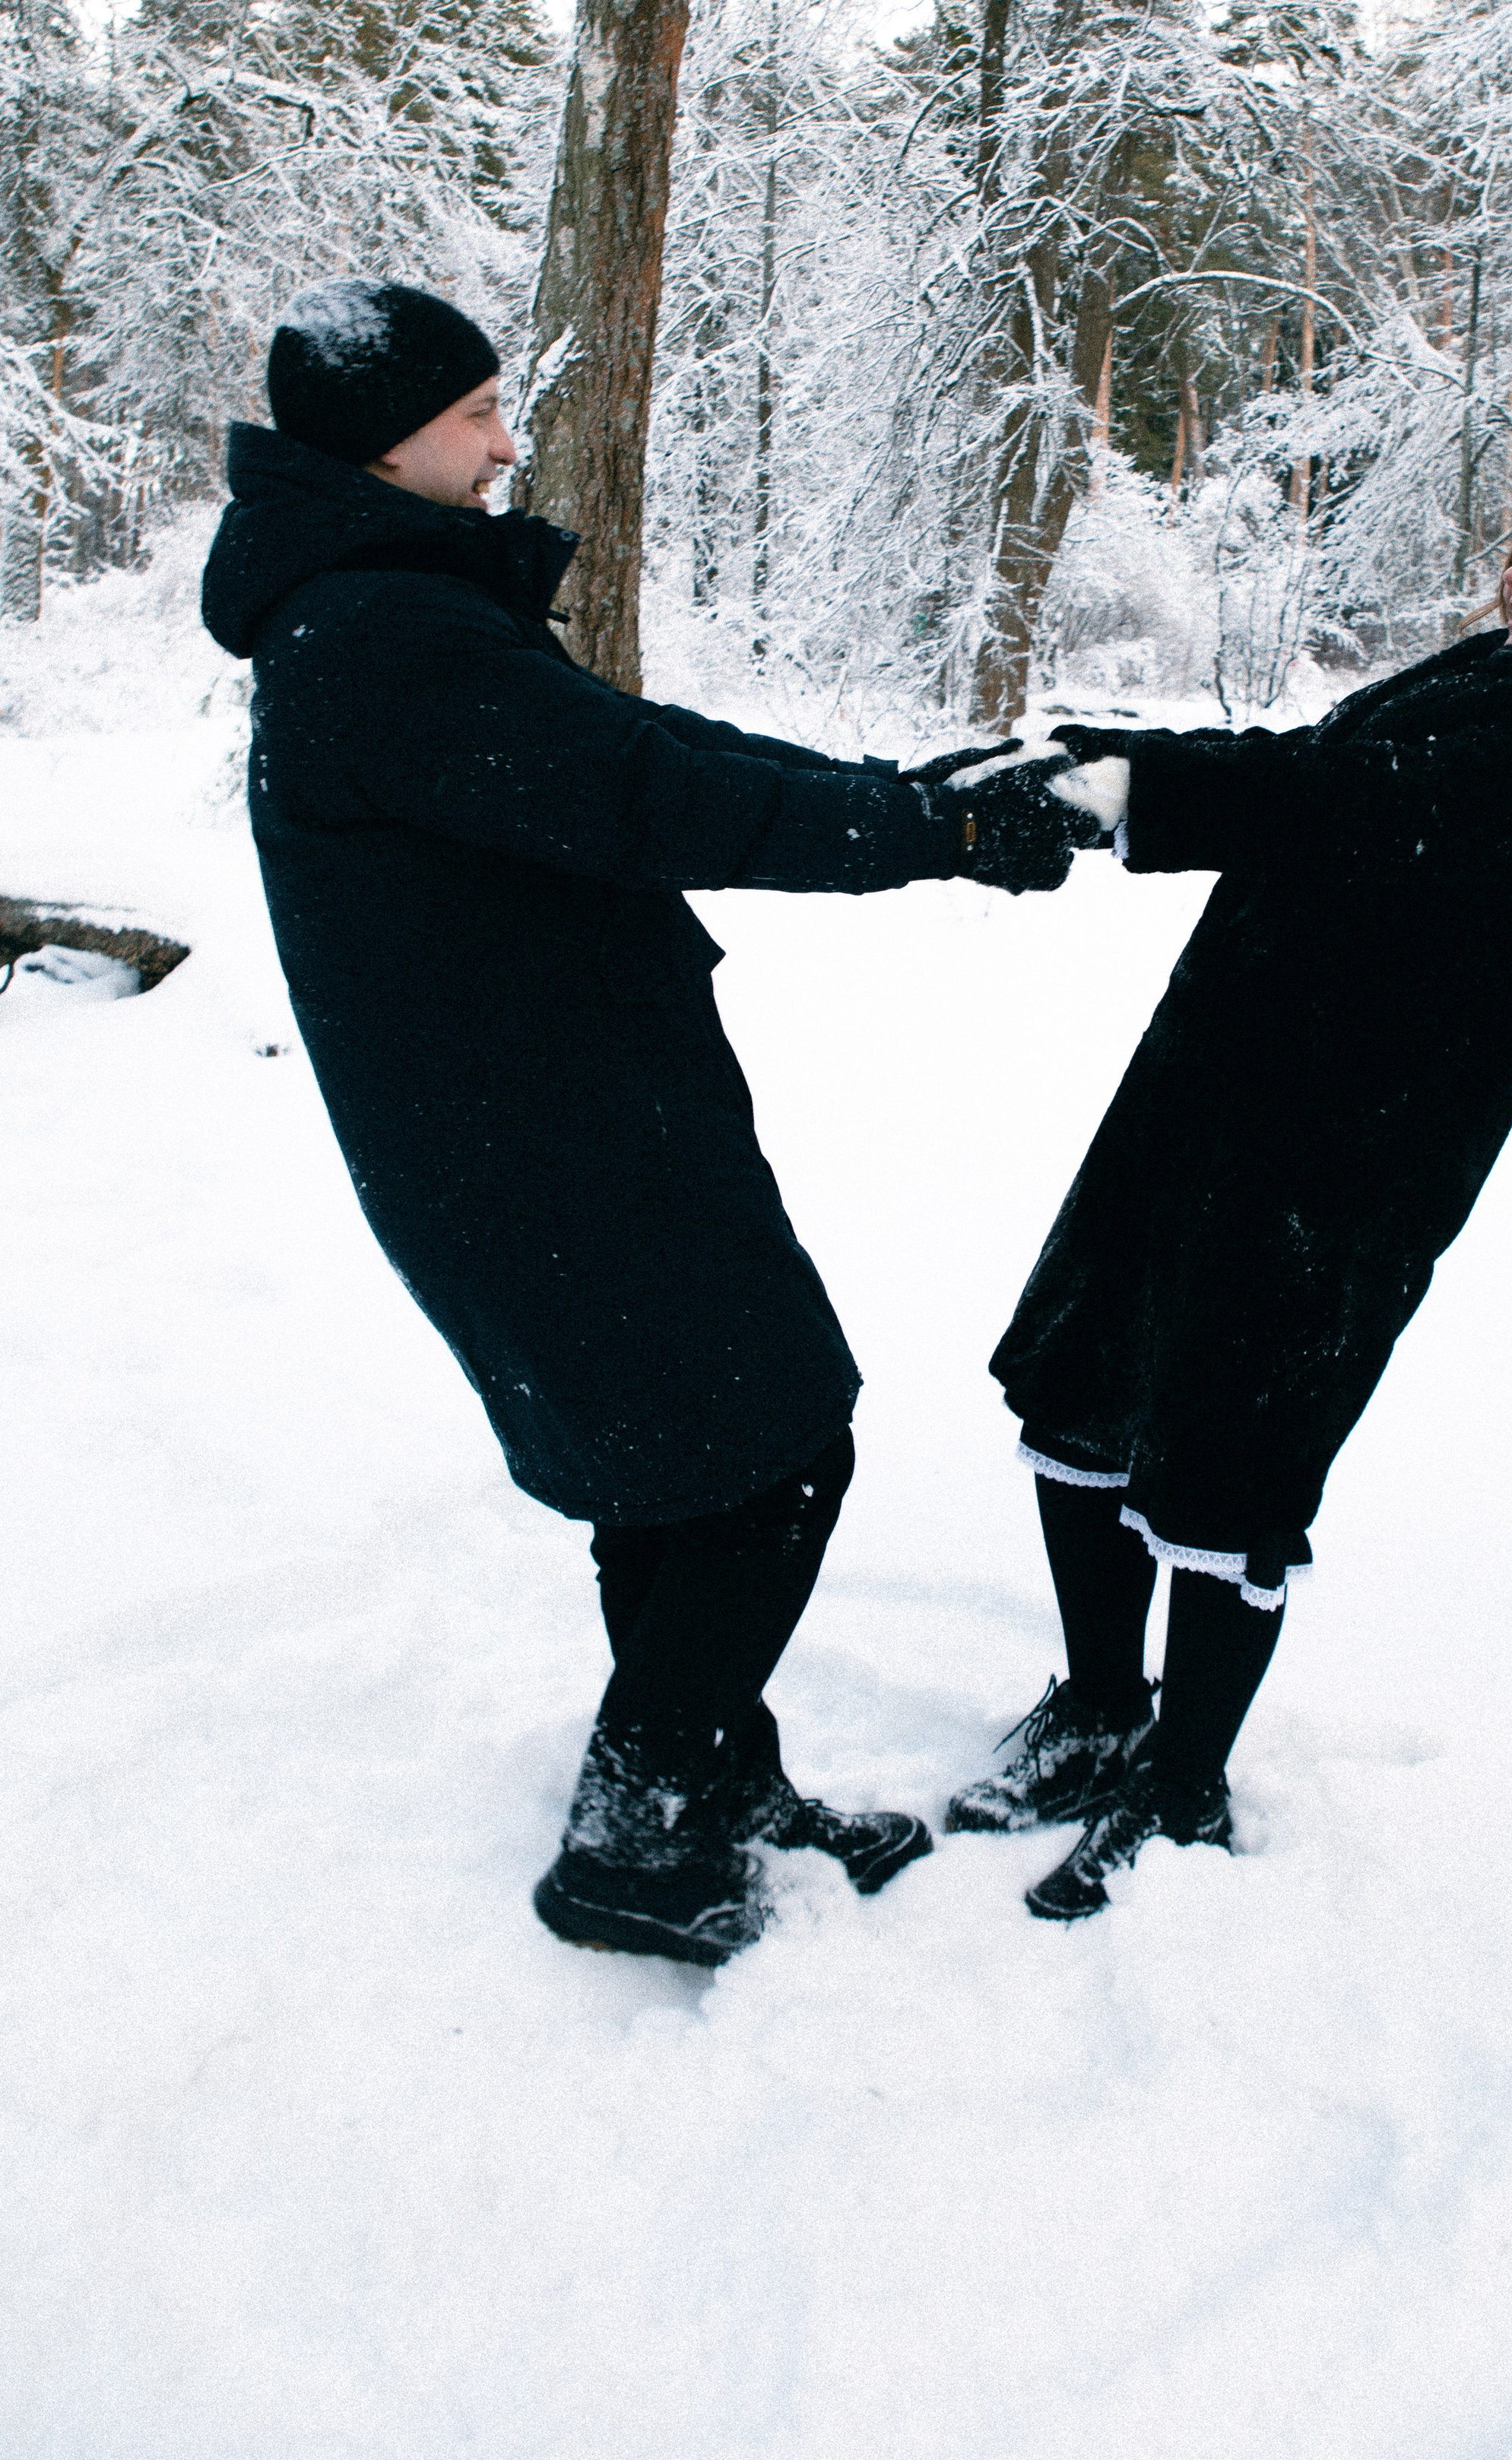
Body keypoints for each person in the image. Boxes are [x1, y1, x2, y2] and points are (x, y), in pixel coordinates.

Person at [200, 279, 1093, 1968]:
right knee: (773, 1453)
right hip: (537, 1140)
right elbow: (653, 797)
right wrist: (936, 839)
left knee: (680, 1469)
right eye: (475, 415)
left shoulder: (391, 609)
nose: (505, 444)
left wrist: (905, 795)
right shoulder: (379, 637)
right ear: (385, 441)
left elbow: (634, 744)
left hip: (554, 1115)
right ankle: (638, 1837)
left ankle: (709, 1786)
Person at [947, 468, 1512, 1921]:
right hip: (1217, 1076)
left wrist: (1145, 792)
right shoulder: (1501, 675)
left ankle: (1182, 1784)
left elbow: (1375, 801)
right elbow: (1309, 760)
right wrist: (1097, 756)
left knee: (1236, 1434)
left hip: (1359, 1126)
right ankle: (1099, 1706)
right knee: (1092, 1375)